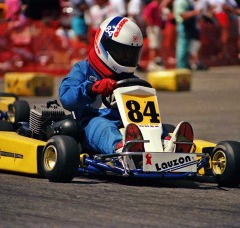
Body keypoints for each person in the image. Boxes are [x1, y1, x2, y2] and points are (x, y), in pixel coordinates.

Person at [59, 16, 194, 155]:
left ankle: (167, 143)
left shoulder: (129, 78)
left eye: (131, 53)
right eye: (122, 52)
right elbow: (66, 97)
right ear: (104, 45)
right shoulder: (83, 69)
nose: (127, 58)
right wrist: (92, 88)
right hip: (91, 123)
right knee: (103, 126)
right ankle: (122, 147)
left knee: (152, 123)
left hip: (129, 126)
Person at [174, 0, 208, 69]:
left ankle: (186, 65)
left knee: (187, 47)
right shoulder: (181, 2)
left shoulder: (188, 2)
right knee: (182, 47)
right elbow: (182, 15)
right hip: (183, 26)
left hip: (189, 26)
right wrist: (195, 12)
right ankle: (181, 66)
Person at [142, 0, 164, 71]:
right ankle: (152, 64)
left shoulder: (157, 6)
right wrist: (150, 26)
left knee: (156, 46)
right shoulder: (152, 5)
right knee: (153, 46)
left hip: (156, 27)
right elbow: (145, 16)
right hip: (153, 27)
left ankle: (155, 63)